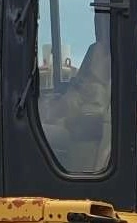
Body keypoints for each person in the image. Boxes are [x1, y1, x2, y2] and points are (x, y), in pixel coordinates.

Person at [38, 41, 112, 173]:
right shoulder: (85, 85)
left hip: (74, 129)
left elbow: (91, 118)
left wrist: (63, 121)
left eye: (94, 59)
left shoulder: (98, 90)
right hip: (69, 124)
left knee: (38, 134)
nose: (88, 63)